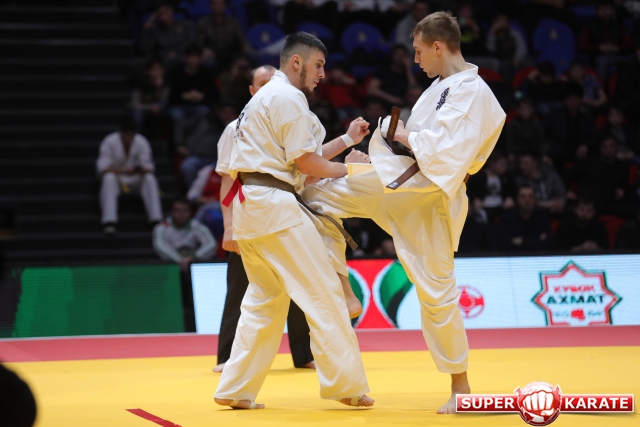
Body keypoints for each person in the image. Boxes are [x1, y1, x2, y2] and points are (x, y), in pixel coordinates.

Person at [302, 11, 506, 413]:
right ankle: (345, 290)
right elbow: (415, 143)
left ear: (438, 46)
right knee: (314, 198)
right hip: (394, 182)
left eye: (418, 51)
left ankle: (461, 386)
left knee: (437, 293)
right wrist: (379, 152)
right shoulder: (438, 87)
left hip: (428, 198)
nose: (415, 59)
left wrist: (399, 132)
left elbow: (446, 156)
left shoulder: (474, 92)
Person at [213, 32, 375, 410]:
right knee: (324, 292)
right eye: (318, 65)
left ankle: (235, 388)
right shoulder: (287, 96)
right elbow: (308, 164)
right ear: (296, 61)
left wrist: (345, 143)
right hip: (274, 206)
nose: (322, 74)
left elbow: (303, 160)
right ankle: (347, 385)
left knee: (264, 300)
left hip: (252, 205)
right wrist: (352, 171)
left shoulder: (263, 99)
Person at [213, 64, 317, 373]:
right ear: (251, 91)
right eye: (261, 83)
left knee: (299, 281)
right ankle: (228, 356)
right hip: (249, 209)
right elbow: (228, 179)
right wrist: (228, 227)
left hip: (287, 206)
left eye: (273, 82)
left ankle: (303, 353)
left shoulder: (293, 120)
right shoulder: (236, 127)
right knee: (241, 287)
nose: (268, 87)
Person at [153, 197, 217, 331]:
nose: (181, 215)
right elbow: (160, 246)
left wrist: (193, 259)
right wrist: (180, 260)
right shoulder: (162, 228)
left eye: (185, 211)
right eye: (177, 211)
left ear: (190, 212)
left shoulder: (197, 226)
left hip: (194, 271)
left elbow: (211, 244)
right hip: (171, 273)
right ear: (171, 212)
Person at [97, 116, 163, 235]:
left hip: (135, 179)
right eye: (126, 135)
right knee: (108, 178)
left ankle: (156, 220)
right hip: (118, 179)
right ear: (121, 132)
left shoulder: (141, 141)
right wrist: (123, 170)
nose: (129, 138)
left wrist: (137, 170)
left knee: (150, 178)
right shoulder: (109, 141)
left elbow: (150, 167)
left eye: (131, 135)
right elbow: (102, 169)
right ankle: (109, 222)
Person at [168, 44, 215, 155]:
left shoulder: (206, 72)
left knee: (205, 113)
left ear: (201, 58)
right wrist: (183, 96)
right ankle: (179, 145)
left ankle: (197, 144)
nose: (194, 60)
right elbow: (171, 95)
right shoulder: (177, 72)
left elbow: (213, 93)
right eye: (191, 57)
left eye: (197, 57)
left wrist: (202, 96)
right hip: (179, 105)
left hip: (199, 106)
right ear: (185, 58)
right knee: (177, 116)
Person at [196, 0, 252, 68]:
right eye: (215, 4)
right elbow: (199, 42)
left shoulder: (233, 22)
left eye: (220, 4)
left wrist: (245, 47)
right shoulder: (203, 23)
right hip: (214, 54)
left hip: (232, 53)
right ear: (210, 5)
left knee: (251, 55)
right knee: (209, 62)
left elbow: (242, 39)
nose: (218, 6)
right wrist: (204, 49)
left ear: (225, 6)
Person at [496, 186, 554, 251]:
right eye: (523, 196)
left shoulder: (543, 218)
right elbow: (503, 244)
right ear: (517, 200)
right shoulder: (506, 219)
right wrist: (536, 240)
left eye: (530, 196)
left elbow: (549, 244)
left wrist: (522, 241)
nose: (527, 200)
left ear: (535, 200)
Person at [515, 152, 566, 217]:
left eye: (525, 163)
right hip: (534, 214)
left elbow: (561, 193)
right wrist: (548, 205)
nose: (522, 167)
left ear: (535, 163)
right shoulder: (520, 181)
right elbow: (525, 201)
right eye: (520, 163)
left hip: (557, 210)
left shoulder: (550, 175)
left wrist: (558, 204)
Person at [367, 44, 417, 108]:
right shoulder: (383, 71)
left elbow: (415, 89)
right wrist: (392, 99)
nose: (401, 57)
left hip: (404, 108)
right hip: (383, 107)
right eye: (398, 54)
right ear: (392, 56)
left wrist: (408, 69)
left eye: (403, 55)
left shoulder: (408, 73)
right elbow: (372, 90)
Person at [130, 57, 169, 138]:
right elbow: (134, 103)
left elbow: (165, 101)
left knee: (165, 108)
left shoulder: (166, 82)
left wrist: (159, 88)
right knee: (137, 114)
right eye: (154, 69)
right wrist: (150, 107)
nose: (157, 72)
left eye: (160, 69)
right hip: (144, 107)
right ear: (148, 71)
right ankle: (138, 138)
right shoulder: (141, 83)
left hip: (158, 108)